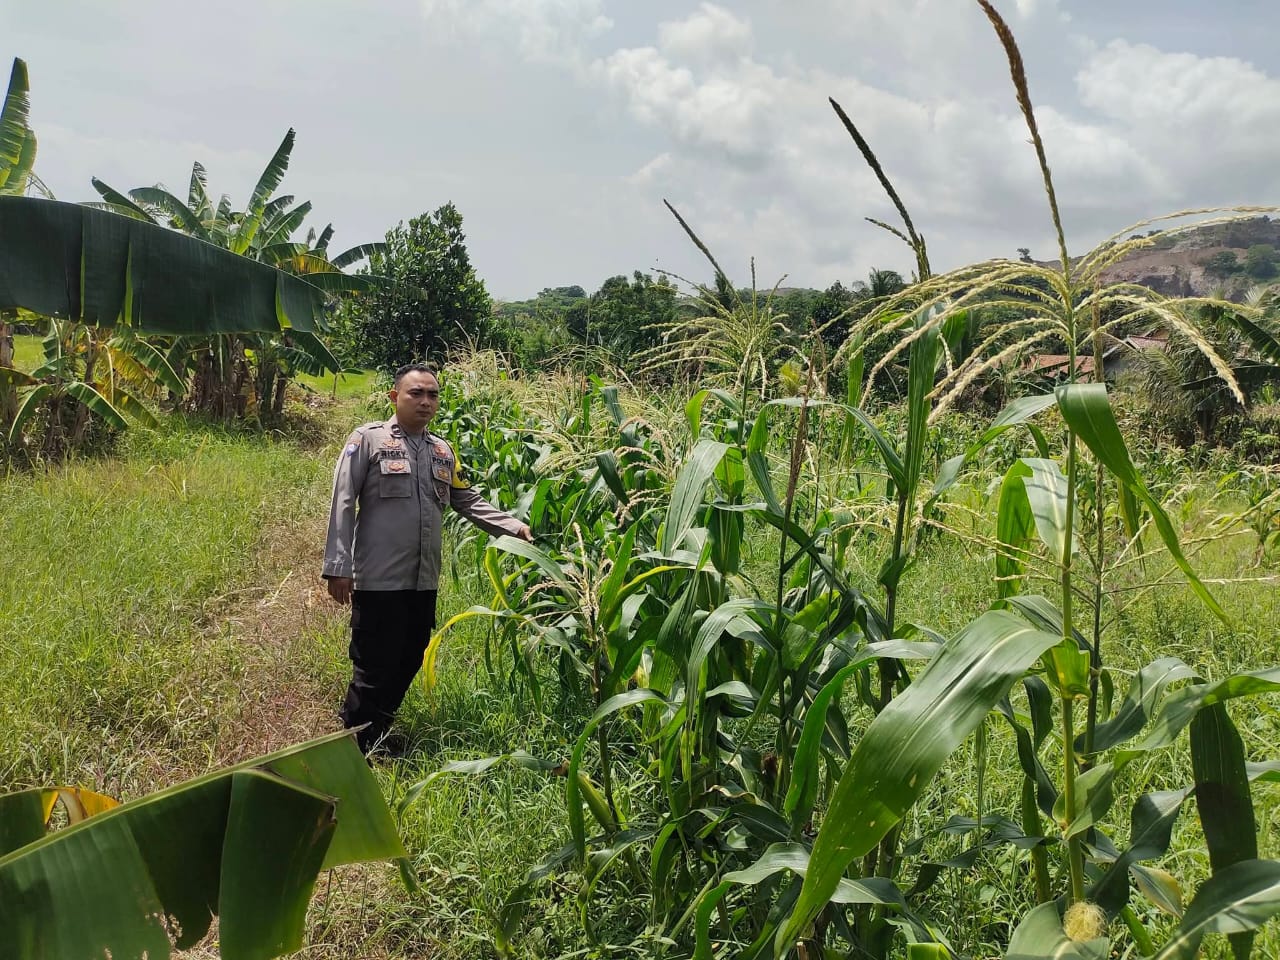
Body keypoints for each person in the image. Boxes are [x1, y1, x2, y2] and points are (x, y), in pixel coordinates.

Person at [322, 362, 532, 754]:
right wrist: (338, 567)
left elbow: (466, 500)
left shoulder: (442, 451)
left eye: (432, 395)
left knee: (409, 657)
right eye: (416, 393)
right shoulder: (368, 440)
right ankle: (352, 746)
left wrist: (512, 526)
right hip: (379, 578)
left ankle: (376, 734)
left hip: (422, 580)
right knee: (374, 665)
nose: (425, 402)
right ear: (394, 397)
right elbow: (343, 501)